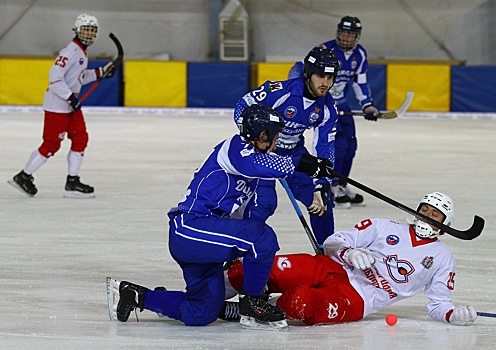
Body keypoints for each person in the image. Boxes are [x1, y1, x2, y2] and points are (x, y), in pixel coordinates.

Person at [106, 105, 334, 330]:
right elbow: (257, 164)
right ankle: (252, 305)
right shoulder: (235, 148)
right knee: (262, 239)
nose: (277, 143)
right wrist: (305, 163)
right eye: (274, 136)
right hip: (189, 228)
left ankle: (134, 295)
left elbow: (258, 210)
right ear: (262, 134)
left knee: (202, 312)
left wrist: (311, 178)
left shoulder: (257, 172)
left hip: (207, 241)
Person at [222, 192, 478, 326]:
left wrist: (452, 315)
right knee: (254, 269)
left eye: (435, 214)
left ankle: (248, 309)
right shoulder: (383, 225)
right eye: (424, 210)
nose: (427, 216)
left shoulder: (443, 257)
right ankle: (209, 296)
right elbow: (334, 241)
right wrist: (348, 252)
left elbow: (438, 304)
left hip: (358, 299)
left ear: (446, 224)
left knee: (301, 303)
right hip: (332, 267)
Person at [234, 46, 340, 246]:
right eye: (320, 76)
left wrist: (320, 182)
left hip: (293, 153)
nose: (325, 83)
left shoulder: (328, 108)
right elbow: (242, 106)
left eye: (330, 77)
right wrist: (257, 139)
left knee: (323, 200)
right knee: (262, 203)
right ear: (308, 73)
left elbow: (325, 146)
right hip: (262, 153)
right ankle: (238, 250)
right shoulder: (280, 91)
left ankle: (327, 255)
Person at [8, 14, 115, 198]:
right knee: (51, 144)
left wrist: (100, 72)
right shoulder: (71, 52)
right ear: (77, 30)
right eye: (85, 30)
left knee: (80, 138)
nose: (89, 34)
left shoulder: (81, 52)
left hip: (69, 105)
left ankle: (72, 182)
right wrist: (70, 98)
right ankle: (23, 176)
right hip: (58, 105)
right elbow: (54, 77)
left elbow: (77, 77)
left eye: (92, 30)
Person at [289, 16, 379, 209]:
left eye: (351, 35)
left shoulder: (360, 55)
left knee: (351, 145)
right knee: (338, 145)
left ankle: (342, 184)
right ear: (338, 34)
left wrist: (367, 105)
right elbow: (304, 74)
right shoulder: (325, 51)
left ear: (357, 37)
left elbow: (360, 82)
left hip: (343, 106)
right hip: (327, 106)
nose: (346, 38)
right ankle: (332, 185)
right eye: (344, 34)